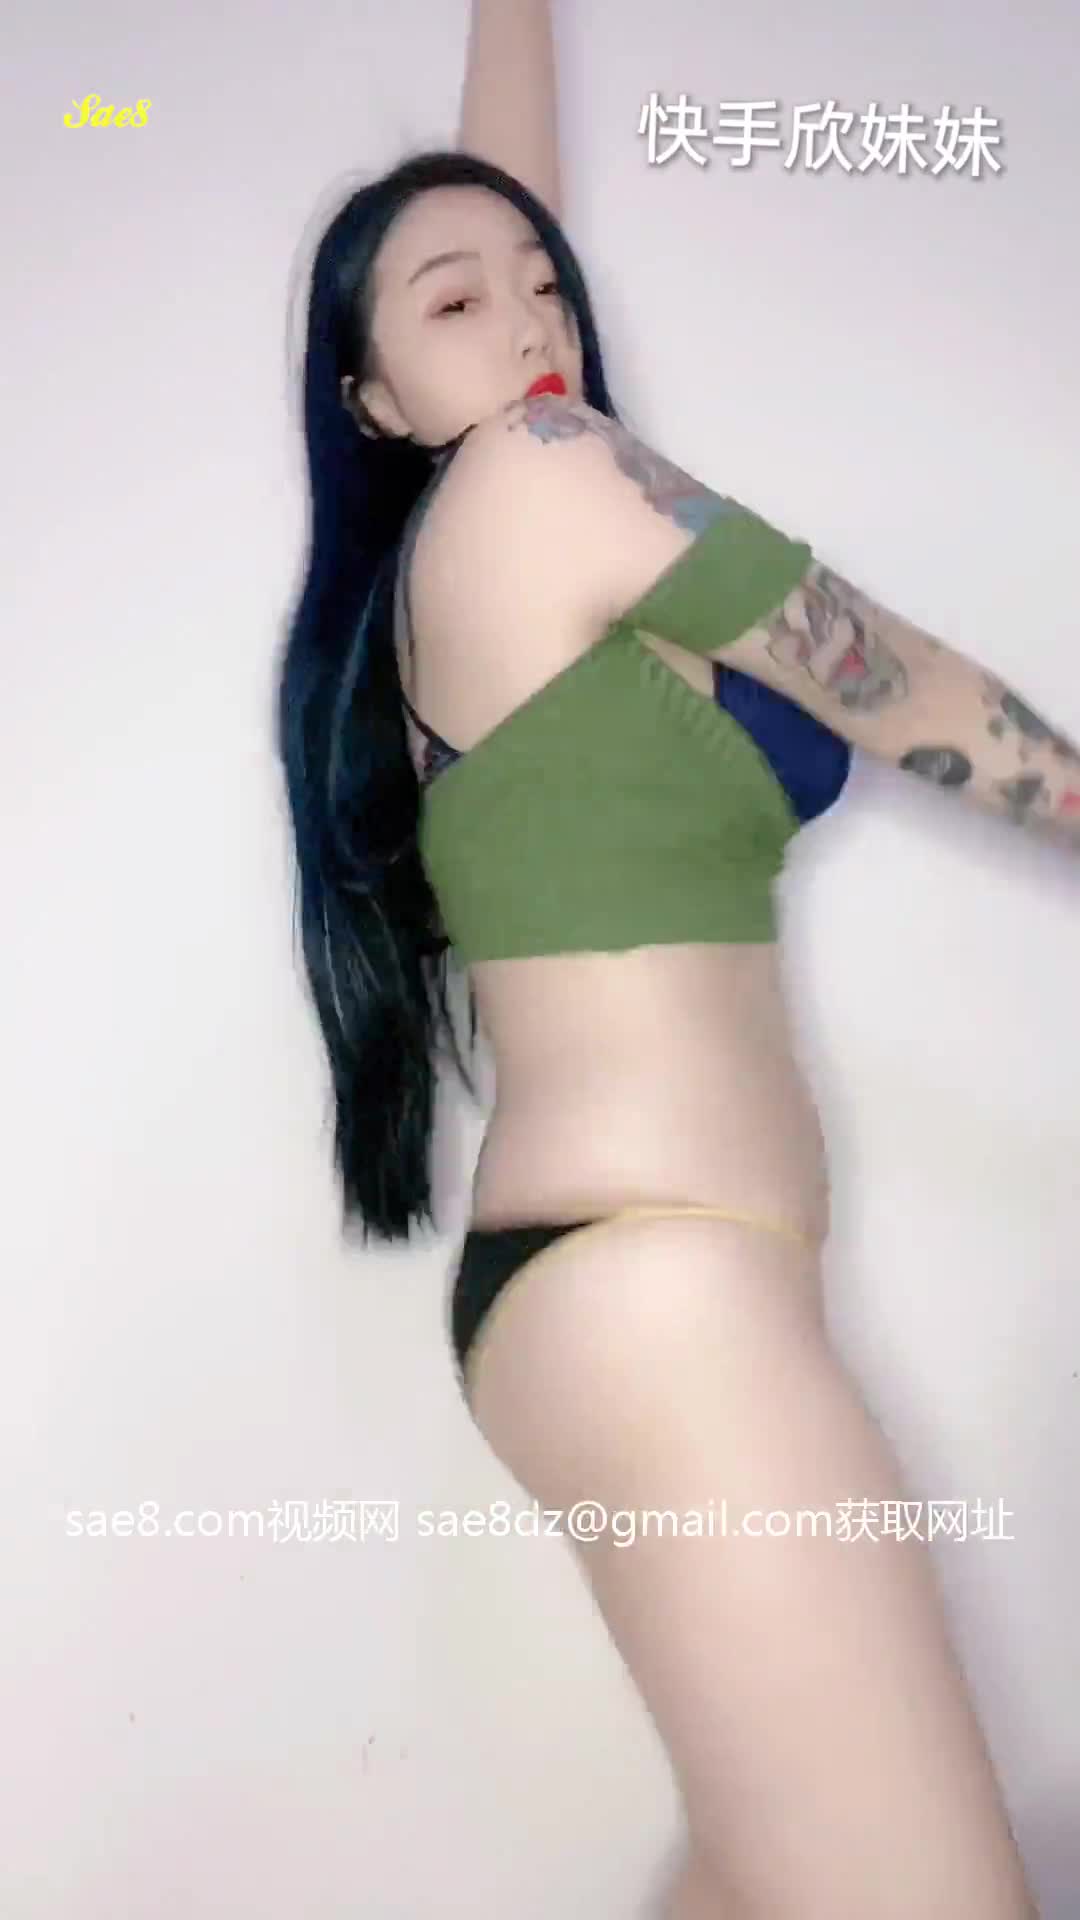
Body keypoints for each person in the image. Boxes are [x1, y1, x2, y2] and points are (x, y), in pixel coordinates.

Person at [276, 6, 1069, 1913]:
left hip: (633, 1292)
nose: (530, 318)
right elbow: (904, 684)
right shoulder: (542, 475)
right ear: (374, 396)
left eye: (546, 282)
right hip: (661, 1292)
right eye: (458, 304)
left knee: (761, 1878)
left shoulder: (498, 548)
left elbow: (490, 223)